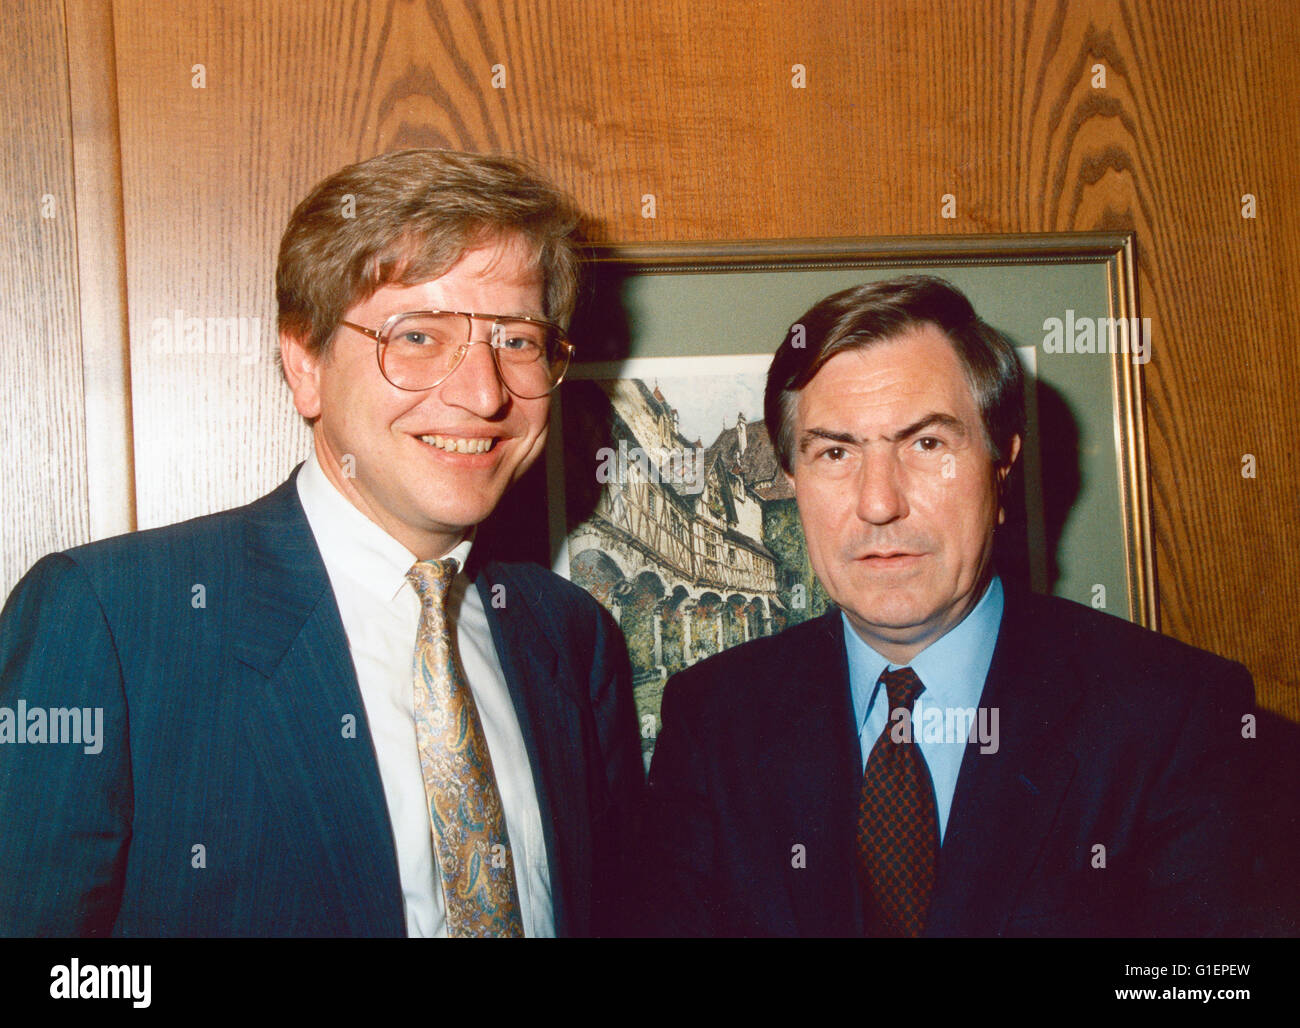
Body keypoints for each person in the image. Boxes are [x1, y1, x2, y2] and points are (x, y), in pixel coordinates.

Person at [0, 149, 643, 938]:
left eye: (516, 342)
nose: (483, 395)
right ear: (304, 363)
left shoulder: (571, 637)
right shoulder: (113, 623)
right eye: (417, 337)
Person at [641, 275, 1257, 937]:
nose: (879, 502)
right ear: (793, 483)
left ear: (1001, 467)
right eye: (835, 452)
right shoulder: (712, 721)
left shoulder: (1177, 716)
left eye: (927, 444)